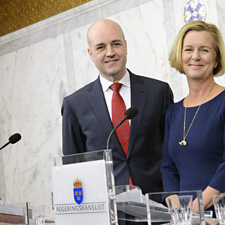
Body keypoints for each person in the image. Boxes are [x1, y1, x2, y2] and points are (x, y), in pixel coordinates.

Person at [62, 19, 174, 196]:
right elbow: (72, 168)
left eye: (116, 44)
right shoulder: (74, 105)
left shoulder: (158, 92)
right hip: (107, 212)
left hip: (158, 204)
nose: (110, 52)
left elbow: (172, 154)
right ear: (90, 54)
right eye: (100, 47)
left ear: (126, 46)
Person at [161, 20, 225, 217]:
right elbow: (167, 167)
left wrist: (194, 210)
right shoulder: (173, 112)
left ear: (216, 59)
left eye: (204, 50)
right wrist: (179, 212)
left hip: (224, 214)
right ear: (180, 55)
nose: (195, 56)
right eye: (188, 49)